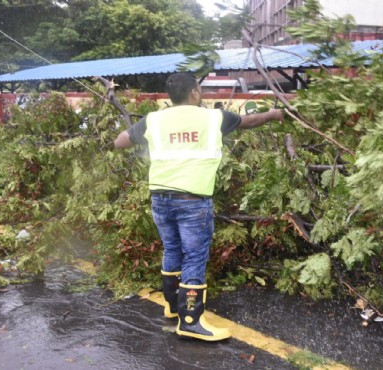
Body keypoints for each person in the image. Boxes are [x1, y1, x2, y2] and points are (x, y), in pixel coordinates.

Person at [114, 73, 283, 341]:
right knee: (194, 257)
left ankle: (172, 306)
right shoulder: (213, 117)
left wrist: (146, 139)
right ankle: (191, 320)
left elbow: (121, 141)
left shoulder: (153, 120)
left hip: (160, 198)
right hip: (192, 201)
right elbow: (250, 121)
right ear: (194, 93)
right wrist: (275, 114)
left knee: (172, 249)